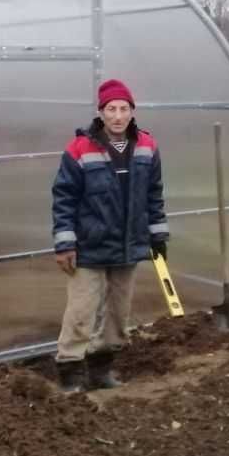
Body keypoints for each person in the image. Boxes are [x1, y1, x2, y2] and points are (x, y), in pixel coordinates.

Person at [50, 79, 168, 393]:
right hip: (89, 245)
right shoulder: (80, 148)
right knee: (82, 310)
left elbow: (154, 195)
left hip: (128, 244)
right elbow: (64, 198)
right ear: (100, 113)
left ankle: (101, 369)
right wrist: (65, 243)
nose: (117, 115)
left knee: (118, 313)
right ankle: (71, 372)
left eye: (123, 108)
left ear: (132, 112)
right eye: (111, 109)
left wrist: (157, 236)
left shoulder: (147, 146)